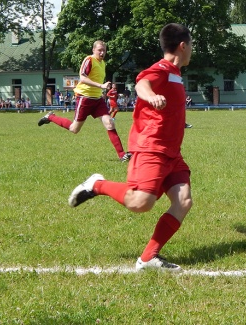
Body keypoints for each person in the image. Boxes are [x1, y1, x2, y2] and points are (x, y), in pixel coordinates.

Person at [68, 23, 193, 272]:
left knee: (183, 201)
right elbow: (142, 84)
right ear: (182, 46)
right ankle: (96, 185)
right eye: (191, 45)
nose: (192, 50)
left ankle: (147, 258)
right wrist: (151, 96)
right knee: (140, 203)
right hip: (152, 148)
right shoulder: (160, 69)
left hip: (171, 153)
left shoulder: (176, 73)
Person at [37, 40, 132, 162]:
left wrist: (102, 88)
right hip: (84, 98)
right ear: (93, 50)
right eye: (99, 50)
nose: (102, 53)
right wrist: (101, 85)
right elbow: (82, 78)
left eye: (104, 50)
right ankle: (51, 117)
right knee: (74, 129)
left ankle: (121, 155)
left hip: (97, 100)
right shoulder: (89, 60)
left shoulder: (102, 63)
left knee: (110, 123)